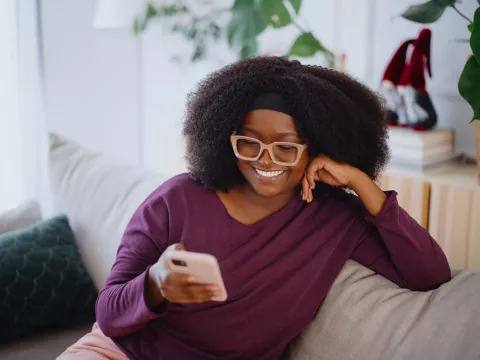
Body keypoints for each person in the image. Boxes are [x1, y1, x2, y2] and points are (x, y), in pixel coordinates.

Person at [63, 56, 451, 360]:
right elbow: (109, 315)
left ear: (315, 149)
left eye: (286, 147)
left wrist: (362, 183)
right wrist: (155, 284)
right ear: (224, 138)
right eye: (249, 143)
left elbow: (430, 274)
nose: (266, 160)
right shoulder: (176, 200)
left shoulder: (336, 219)